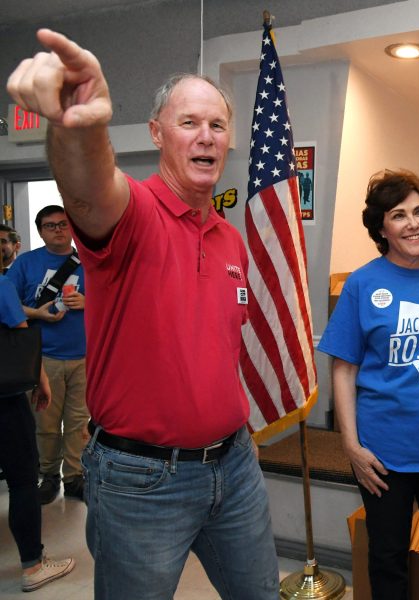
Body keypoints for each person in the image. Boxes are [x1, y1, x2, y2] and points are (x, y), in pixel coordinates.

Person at [8, 29, 279, 599]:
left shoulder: (231, 240)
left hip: (234, 468)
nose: (205, 136)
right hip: (141, 480)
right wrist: (78, 127)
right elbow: (86, 192)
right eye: (188, 123)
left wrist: (238, 436)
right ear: (156, 133)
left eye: (217, 126)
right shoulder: (134, 211)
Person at [319, 169, 419, 600]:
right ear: (381, 228)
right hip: (381, 455)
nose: (413, 223)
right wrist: (350, 446)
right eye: (398, 215)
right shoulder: (362, 283)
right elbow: (343, 368)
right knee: (386, 560)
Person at [6, 205, 89, 504]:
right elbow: (6, 304)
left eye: (63, 224)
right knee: (46, 423)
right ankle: (49, 475)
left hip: (83, 355)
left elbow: (115, 301)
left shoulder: (90, 261)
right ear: (40, 231)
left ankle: (75, 476)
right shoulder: (26, 263)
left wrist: (88, 302)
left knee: (80, 421)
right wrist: (36, 312)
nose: (58, 229)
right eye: (50, 225)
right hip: (42, 358)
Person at [0, 274, 75, 592]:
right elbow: (19, 331)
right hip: (4, 401)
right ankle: (34, 565)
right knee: (22, 481)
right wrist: (39, 378)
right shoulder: (1, 284)